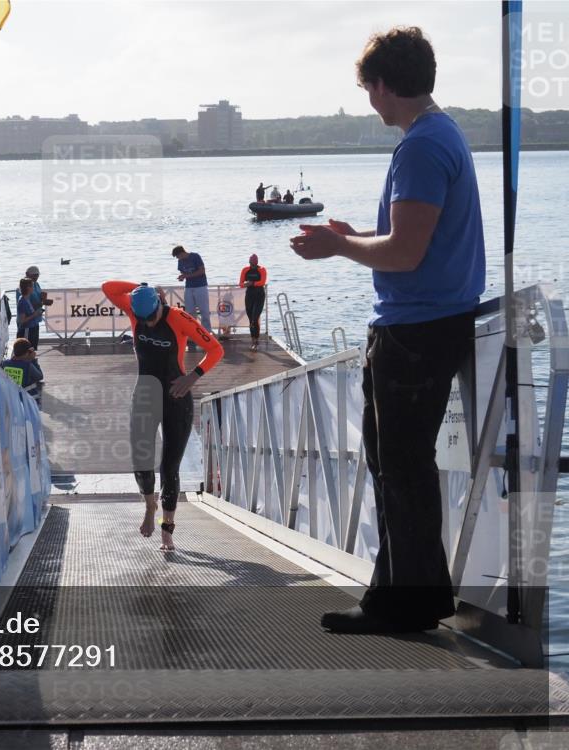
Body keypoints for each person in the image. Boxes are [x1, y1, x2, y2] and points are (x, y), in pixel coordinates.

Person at [290, 26, 485, 634]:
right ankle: (406, 598)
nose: (368, 100)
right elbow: (411, 244)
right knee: (400, 465)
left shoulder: (421, 147)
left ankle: (405, 605)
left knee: (400, 468)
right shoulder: (441, 133)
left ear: (382, 85)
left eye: (367, 88)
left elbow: (404, 254)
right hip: (433, 323)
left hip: (415, 331)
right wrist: (349, 238)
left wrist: (337, 246)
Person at [101, 280, 223, 551]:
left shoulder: (178, 318)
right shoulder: (135, 310)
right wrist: (142, 288)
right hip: (145, 394)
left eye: (153, 317)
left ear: (160, 305)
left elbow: (216, 349)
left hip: (176, 395)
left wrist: (193, 377)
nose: (151, 323)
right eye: (144, 319)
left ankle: (167, 529)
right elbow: (108, 287)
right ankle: (149, 504)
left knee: (170, 467)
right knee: (141, 460)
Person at [172, 245, 212, 334]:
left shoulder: (195, 256)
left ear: (182, 253)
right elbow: (183, 272)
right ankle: (193, 332)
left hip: (200, 286)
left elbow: (202, 271)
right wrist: (182, 276)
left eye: (178, 256)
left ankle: (207, 332)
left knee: (204, 310)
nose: (178, 258)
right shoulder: (180, 261)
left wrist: (187, 276)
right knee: (189, 311)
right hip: (189, 286)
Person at [1, 337, 44, 404]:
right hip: (28, 400)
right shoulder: (28, 365)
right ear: (26, 353)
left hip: (11, 398)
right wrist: (33, 360)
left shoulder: (4, 364)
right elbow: (40, 376)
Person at [238, 254, 268, 350]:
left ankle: (256, 341)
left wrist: (252, 283)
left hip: (259, 296)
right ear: (249, 262)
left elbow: (262, 282)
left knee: (255, 318)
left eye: (255, 263)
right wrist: (246, 284)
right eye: (252, 263)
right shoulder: (245, 270)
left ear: (257, 262)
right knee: (251, 319)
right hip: (249, 296)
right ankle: (253, 339)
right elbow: (241, 284)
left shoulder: (262, 270)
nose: (253, 265)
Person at [16, 277, 44, 349]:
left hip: (33, 327)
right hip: (27, 329)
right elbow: (22, 320)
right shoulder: (22, 301)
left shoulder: (27, 299)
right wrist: (35, 314)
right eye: (32, 286)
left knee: (33, 349)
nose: (33, 288)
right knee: (27, 350)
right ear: (28, 288)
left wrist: (37, 312)